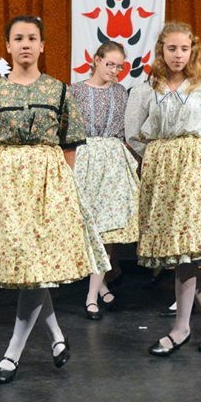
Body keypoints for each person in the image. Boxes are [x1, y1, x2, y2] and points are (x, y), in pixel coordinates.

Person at [0, 15, 109, 384]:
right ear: (7, 45)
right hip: (6, 185)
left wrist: (64, 186)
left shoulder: (58, 91)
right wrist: (2, 187)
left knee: (36, 267)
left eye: (32, 38)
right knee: (29, 268)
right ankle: (57, 337)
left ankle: (13, 352)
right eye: (18, 38)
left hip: (49, 184)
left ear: (42, 45)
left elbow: (70, 142)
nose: (25, 44)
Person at [125, 21, 201, 356]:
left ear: (193, 51)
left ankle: (180, 329)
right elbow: (133, 134)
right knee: (182, 254)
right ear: (161, 51)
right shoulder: (145, 91)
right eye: (172, 48)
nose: (178, 55)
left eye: (184, 48)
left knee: (187, 251)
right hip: (162, 175)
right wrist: (159, 157)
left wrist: (200, 155)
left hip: (194, 175)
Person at [69, 41, 140, 321]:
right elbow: (68, 131)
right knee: (90, 228)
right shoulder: (75, 91)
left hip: (112, 162)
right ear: (96, 60)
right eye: (109, 64)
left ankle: (92, 295)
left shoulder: (120, 92)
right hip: (85, 160)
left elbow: (126, 131)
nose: (114, 71)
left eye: (119, 67)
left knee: (108, 229)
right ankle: (101, 288)